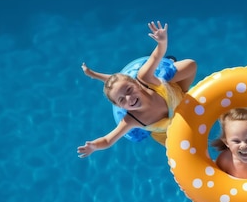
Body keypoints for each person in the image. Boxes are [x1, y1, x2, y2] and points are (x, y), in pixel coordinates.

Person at [77, 21, 197, 158]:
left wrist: (162, 42)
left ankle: (183, 88)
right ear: (118, 105)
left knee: (189, 65)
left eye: (129, 90)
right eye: (122, 100)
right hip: (167, 130)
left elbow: (156, 56)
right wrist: (94, 146)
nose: (129, 98)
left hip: (177, 96)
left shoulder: (144, 78)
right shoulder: (131, 120)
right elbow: (108, 140)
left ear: (136, 84)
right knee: (184, 152)